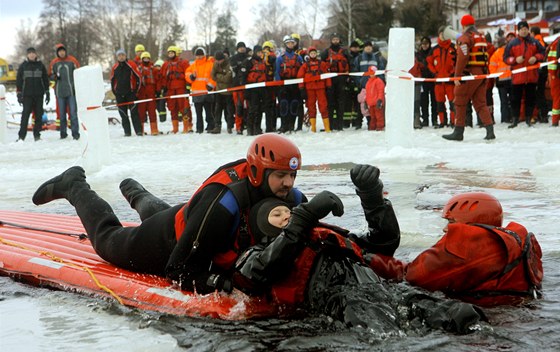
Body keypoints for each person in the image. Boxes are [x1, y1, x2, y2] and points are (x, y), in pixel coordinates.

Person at [31, 134, 307, 295]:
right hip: (166, 243)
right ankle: (73, 185)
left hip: (189, 220)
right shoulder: (223, 203)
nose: (288, 184)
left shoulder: (289, 197)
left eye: (292, 175)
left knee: (174, 216)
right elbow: (178, 270)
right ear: (258, 172)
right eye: (281, 175)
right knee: (107, 239)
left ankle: (135, 192)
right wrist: (223, 284)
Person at [235, 165, 486, 333]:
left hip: (382, 290)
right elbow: (259, 272)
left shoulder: (325, 238)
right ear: (261, 227)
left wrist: (373, 198)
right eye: (277, 214)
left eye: (290, 212)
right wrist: (303, 217)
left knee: (460, 314)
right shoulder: (252, 255)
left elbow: (384, 243)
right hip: (343, 302)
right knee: (381, 330)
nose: (288, 216)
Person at [367, 191, 543, 307]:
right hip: (515, 314)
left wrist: (366, 257)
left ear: (469, 223)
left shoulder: (468, 247)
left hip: (486, 323)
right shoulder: (511, 242)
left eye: (451, 222)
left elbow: (410, 276)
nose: (446, 229)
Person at [442, 14, 496, 141]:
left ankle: (458, 131)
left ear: (463, 25)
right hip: (482, 73)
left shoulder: (465, 38)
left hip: (470, 74)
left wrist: (457, 76)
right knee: (481, 103)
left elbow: (463, 56)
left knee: (459, 101)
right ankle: (490, 130)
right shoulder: (480, 36)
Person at [503, 20, 545, 128]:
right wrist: (515, 60)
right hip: (517, 77)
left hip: (531, 76)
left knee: (531, 99)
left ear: (528, 30)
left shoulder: (535, 42)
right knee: (515, 99)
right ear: (518, 30)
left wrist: (536, 58)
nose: (524, 31)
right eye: (522, 29)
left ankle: (528, 118)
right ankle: (515, 119)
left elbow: (543, 53)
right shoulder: (512, 43)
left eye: (526, 29)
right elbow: (506, 58)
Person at [16, 47, 50, 142]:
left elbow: (45, 79)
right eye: (30, 53)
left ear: (36, 54)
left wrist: (47, 92)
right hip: (27, 95)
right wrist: (19, 94)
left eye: (33, 53)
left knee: (38, 116)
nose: (31, 55)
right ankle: (21, 136)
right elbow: (19, 81)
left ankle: (37, 135)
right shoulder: (23, 66)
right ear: (27, 55)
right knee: (25, 116)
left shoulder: (40, 65)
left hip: (39, 95)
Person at [49, 43, 80, 140]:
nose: (62, 53)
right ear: (57, 53)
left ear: (65, 51)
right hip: (60, 93)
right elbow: (50, 76)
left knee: (73, 114)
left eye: (63, 51)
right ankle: (63, 134)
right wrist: (54, 78)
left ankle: (75, 133)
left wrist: (77, 88)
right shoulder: (54, 62)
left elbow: (79, 73)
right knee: (62, 115)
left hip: (71, 92)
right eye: (59, 51)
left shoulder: (72, 61)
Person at [296, 46, 331, 133]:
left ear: (317, 54)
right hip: (309, 89)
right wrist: (301, 88)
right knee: (311, 107)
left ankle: (327, 127)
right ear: (309, 54)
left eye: (314, 53)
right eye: (311, 53)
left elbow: (327, 75)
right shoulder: (305, 65)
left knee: (323, 106)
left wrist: (329, 86)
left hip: (320, 88)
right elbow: (300, 77)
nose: (313, 54)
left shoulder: (322, 64)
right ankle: (313, 128)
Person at [427, 27, 456, 128]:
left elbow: (458, 62)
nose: (443, 36)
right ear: (438, 35)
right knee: (439, 103)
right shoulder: (434, 49)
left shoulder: (454, 48)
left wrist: (452, 73)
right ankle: (442, 122)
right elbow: (429, 63)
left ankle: (453, 121)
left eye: (445, 34)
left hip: (450, 81)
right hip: (438, 81)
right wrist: (434, 73)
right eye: (441, 34)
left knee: (453, 103)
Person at [110, 49, 142, 136]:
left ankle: (138, 131)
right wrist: (115, 92)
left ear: (125, 56)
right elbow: (112, 80)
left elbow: (139, 77)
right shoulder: (114, 67)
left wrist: (136, 91)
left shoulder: (131, 64)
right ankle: (127, 132)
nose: (121, 57)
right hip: (120, 94)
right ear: (117, 57)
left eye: (123, 55)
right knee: (123, 114)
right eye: (119, 55)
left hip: (131, 93)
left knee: (134, 113)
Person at [321, 33, 350, 131]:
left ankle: (340, 124)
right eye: (334, 39)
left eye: (337, 39)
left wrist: (348, 78)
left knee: (341, 102)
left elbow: (350, 63)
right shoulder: (326, 52)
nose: (335, 41)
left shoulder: (345, 52)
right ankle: (331, 125)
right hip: (330, 79)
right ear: (331, 41)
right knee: (330, 103)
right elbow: (321, 65)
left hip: (341, 79)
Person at [161, 46, 192, 134]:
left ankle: (187, 126)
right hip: (170, 89)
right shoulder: (166, 65)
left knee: (184, 108)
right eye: (169, 53)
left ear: (175, 53)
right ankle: (175, 128)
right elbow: (163, 77)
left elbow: (188, 75)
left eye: (172, 52)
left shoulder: (183, 63)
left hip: (181, 89)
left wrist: (187, 88)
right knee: (172, 108)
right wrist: (163, 88)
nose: (170, 54)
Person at [276, 35, 303, 133]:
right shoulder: (280, 58)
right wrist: (279, 85)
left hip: (295, 84)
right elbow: (277, 72)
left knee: (294, 105)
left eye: (292, 43)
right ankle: (284, 125)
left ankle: (292, 125)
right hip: (284, 85)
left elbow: (302, 70)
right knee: (283, 105)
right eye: (288, 43)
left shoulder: (298, 57)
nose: (290, 45)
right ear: (285, 44)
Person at [186, 47, 216, 133]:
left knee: (209, 112)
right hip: (196, 94)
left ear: (204, 55)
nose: (199, 57)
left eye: (201, 55)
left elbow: (213, 76)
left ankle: (210, 126)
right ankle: (199, 129)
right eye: (197, 55)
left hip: (208, 93)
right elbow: (187, 75)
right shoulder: (192, 66)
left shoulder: (210, 64)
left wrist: (210, 85)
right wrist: (191, 77)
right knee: (198, 114)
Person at [489, 35, 514, 124]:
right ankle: (512, 117)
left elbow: (492, 67)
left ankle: (504, 118)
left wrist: (496, 76)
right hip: (511, 79)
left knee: (503, 101)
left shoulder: (496, 54)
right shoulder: (510, 52)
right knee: (512, 99)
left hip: (501, 81)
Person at [210, 50, 235, 134]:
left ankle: (229, 126)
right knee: (217, 110)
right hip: (219, 91)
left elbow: (228, 78)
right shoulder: (215, 64)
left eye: (219, 60)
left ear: (223, 59)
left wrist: (218, 76)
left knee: (229, 110)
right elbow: (212, 75)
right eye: (216, 60)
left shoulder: (229, 64)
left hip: (228, 91)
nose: (218, 62)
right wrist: (221, 76)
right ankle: (217, 126)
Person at [245, 45, 267, 136]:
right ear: (254, 52)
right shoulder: (249, 62)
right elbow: (244, 76)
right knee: (252, 109)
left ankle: (257, 127)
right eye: (258, 52)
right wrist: (246, 90)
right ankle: (250, 128)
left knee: (260, 109)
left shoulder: (263, 62)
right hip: (252, 88)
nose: (260, 54)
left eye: (261, 52)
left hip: (261, 88)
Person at [136, 51, 159, 135]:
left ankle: (154, 129)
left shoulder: (153, 69)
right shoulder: (138, 69)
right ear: (142, 59)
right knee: (141, 112)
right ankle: (140, 130)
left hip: (151, 93)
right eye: (144, 58)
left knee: (152, 111)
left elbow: (157, 80)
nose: (146, 59)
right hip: (141, 93)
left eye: (147, 58)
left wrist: (158, 91)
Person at [230, 42, 250, 134]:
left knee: (248, 107)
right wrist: (242, 66)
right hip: (237, 86)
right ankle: (238, 126)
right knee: (239, 107)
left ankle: (247, 124)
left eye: (243, 47)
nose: (242, 49)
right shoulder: (233, 58)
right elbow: (235, 69)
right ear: (237, 49)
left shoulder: (248, 58)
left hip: (248, 86)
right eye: (240, 47)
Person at [416, 36, 437, 127]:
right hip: (423, 80)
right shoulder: (418, 54)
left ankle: (434, 119)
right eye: (423, 44)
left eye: (426, 44)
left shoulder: (432, 52)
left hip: (432, 80)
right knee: (424, 102)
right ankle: (425, 119)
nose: (425, 46)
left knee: (434, 101)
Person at [262, 41, 277, 132]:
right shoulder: (271, 56)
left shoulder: (261, 56)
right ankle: (271, 126)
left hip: (265, 84)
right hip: (270, 83)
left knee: (268, 106)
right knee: (271, 106)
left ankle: (270, 127)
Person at [365, 66, 385, 131]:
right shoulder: (368, 82)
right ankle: (372, 127)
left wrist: (380, 100)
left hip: (377, 103)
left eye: (373, 73)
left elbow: (381, 91)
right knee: (372, 117)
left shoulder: (378, 81)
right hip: (371, 103)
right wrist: (366, 101)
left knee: (379, 116)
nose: (372, 75)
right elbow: (367, 93)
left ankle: (380, 127)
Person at [548, 34, 560, 127]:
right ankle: (555, 120)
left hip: (555, 75)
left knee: (556, 99)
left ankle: (555, 121)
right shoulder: (557, 42)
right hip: (556, 76)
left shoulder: (556, 42)